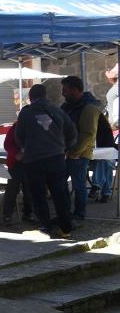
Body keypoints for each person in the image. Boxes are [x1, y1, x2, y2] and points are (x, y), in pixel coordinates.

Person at [16, 84, 76, 239]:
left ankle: (46, 226)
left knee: (38, 195)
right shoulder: (58, 111)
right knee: (60, 194)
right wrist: (64, 148)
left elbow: (19, 135)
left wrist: (25, 147)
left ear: (30, 98)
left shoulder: (26, 113)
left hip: (34, 160)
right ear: (45, 95)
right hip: (56, 158)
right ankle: (66, 228)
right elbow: (72, 133)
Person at [60, 76, 99, 222]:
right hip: (66, 152)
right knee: (60, 184)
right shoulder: (67, 106)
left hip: (79, 154)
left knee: (78, 186)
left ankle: (78, 215)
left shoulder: (89, 107)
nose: (63, 93)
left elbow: (88, 134)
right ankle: (65, 212)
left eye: (65, 90)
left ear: (75, 90)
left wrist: (74, 153)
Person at [2, 122, 34, 226]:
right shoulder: (17, 126)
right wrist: (16, 154)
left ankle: (28, 214)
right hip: (16, 163)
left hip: (30, 162)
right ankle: (7, 215)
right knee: (12, 189)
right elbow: (7, 144)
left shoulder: (36, 125)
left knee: (29, 190)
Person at [90, 111, 116, 203]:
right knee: (105, 165)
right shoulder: (86, 131)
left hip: (107, 156)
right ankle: (106, 193)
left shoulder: (105, 130)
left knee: (104, 162)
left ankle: (96, 185)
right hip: (90, 159)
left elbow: (109, 147)